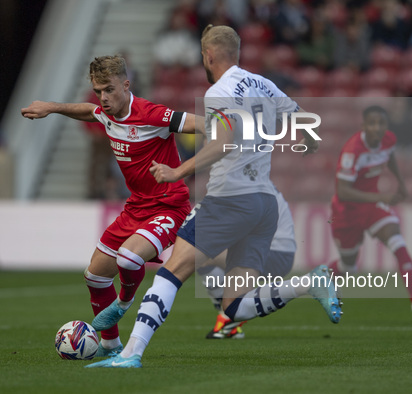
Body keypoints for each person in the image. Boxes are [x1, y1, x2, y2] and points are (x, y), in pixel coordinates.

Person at [86, 25, 341, 369]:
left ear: (208, 55)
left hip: (230, 198)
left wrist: (178, 172)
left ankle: (130, 353)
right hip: (265, 204)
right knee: (234, 306)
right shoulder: (264, 84)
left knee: (170, 272)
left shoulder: (220, 91)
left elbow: (224, 142)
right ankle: (309, 284)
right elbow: (302, 119)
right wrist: (308, 141)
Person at [21, 55, 199, 358]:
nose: (103, 98)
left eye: (109, 89)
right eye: (98, 90)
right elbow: (89, 112)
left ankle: (124, 302)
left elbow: (204, 125)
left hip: (169, 206)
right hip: (136, 208)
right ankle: (110, 345)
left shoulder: (152, 114)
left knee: (129, 259)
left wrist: (224, 132)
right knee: (95, 276)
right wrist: (51, 107)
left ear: (126, 85)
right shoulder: (106, 113)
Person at [327, 105, 412, 325]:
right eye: (372, 123)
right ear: (363, 126)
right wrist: (383, 197)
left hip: (372, 207)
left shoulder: (388, 140)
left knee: (398, 243)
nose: (377, 127)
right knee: (348, 267)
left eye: (381, 123)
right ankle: (318, 279)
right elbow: (343, 191)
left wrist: (401, 183)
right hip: (346, 213)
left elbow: (390, 155)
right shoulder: (353, 151)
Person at [199, 186, 297, 339]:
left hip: (274, 255)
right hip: (276, 253)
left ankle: (229, 319)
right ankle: (229, 318)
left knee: (202, 255)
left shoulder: (250, 189)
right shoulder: (254, 185)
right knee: (202, 254)